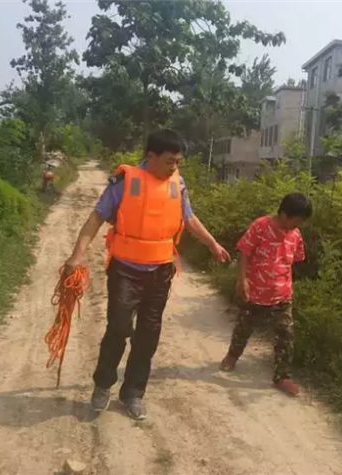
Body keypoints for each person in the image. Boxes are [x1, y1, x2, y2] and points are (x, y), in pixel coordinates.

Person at [64, 129, 231, 420]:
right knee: (118, 328)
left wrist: (212, 244)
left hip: (161, 271)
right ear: (150, 157)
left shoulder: (178, 185)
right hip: (125, 271)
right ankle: (103, 384)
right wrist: (78, 254)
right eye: (169, 161)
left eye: (178, 162)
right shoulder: (124, 182)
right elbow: (97, 217)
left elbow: (189, 218)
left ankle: (133, 392)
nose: (174, 167)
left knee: (148, 335)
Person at [220, 192, 312, 397]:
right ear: (284, 214)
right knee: (244, 327)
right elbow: (244, 252)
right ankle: (232, 356)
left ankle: (282, 376)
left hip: (282, 294)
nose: (298, 225)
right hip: (254, 292)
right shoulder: (260, 226)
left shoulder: (295, 234)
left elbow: (294, 261)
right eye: (297, 221)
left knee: (285, 333)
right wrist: (242, 280)